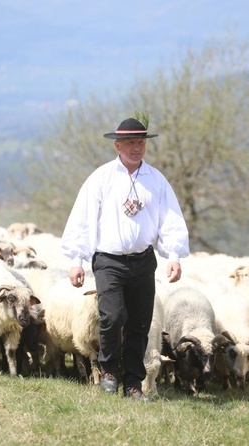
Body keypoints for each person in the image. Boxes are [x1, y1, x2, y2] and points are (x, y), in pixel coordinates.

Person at [61, 116, 189, 402]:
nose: (136, 148)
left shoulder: (156, 180)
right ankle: (108, 370)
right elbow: (83, 219)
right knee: (113, 316)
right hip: (109, 260)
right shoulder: (101, 178)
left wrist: (174, 254)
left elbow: (170, 218)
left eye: (141, 142)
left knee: (140, 323)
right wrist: (77, 259)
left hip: (144, 260)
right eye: (130, 142)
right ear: (117, 145)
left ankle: (133, 384)